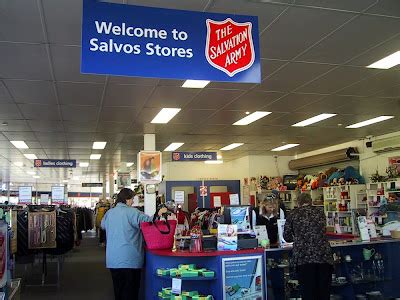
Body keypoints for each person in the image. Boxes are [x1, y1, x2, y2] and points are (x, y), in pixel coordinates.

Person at [101, 188, 167, 300]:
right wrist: (159, 213)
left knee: (119, 291)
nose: (132, 202)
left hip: (113, 260)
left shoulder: (109, 213)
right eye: (132, 199)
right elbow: (149, 222)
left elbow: (103, 226)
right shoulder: (133, 212)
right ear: (127, 199)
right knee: (130, 292)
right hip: (130, 259)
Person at [283, 193, 333, 300]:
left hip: (304, 257)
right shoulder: (320, 212)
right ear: (311, 201)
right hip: (323, 256)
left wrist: (297, 237)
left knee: (308, 292)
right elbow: (322, 230)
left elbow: (287, 237)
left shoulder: (293, 214)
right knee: (324, 292)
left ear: (298, 202)